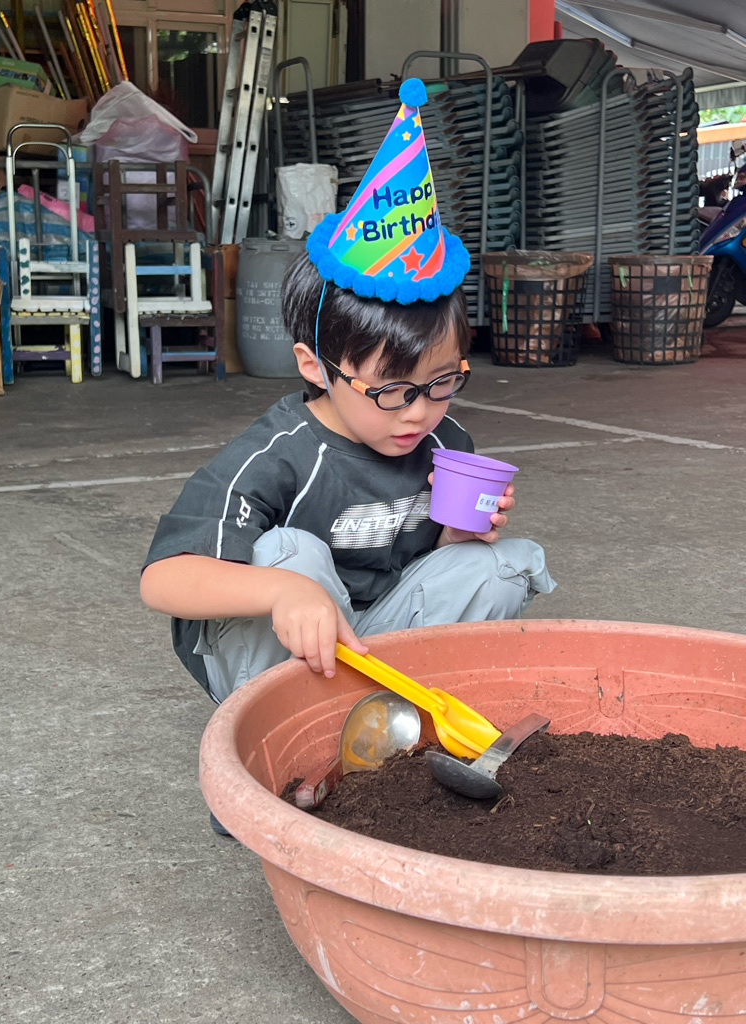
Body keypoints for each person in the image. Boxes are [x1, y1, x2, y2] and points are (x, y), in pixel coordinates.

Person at [140, 78, 555, 833]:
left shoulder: (443, 443)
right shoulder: (278, 455)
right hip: (273, 652)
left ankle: (396, 741)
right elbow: (162, 580)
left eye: (443, 383)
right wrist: (282, 593)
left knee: (500, 563)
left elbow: (426, 570)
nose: (421, 412)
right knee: (291, 553)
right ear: (315, 366)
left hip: (373, 640)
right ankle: (277, 756)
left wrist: (458, 537)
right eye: (392, 391)